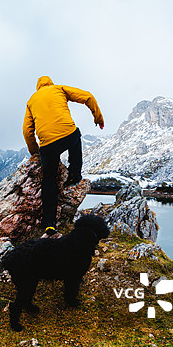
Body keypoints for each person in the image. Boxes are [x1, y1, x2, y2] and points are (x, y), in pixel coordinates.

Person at [23, 76, 104, 235]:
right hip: (68, 135)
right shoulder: (59, 89)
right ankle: (75, 174)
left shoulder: (31, 101)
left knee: (49, 181)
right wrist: (98, 117)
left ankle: (49, 223)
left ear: (38, 87)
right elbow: (87, 96)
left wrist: (36, 154)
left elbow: (27, 131)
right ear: (50, 83)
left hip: (47, 146)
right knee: (76, 136)